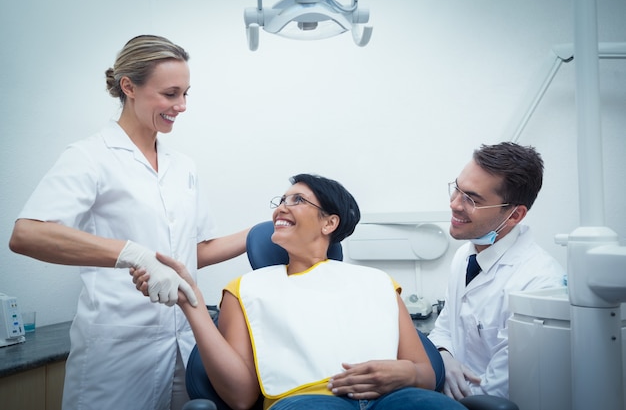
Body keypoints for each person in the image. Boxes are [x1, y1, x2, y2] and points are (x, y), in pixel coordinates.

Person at [8, 35, 249, 410]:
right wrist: (134, 254)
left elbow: (192, 253)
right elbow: (27, 234)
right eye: (170, 94)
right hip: (117, 350)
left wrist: (260, 234)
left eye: (186, 93)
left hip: (183, 347)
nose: (181, 106)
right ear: (128, 87)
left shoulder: (182, 166)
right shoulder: (90, 156)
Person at [132, 173, 466, 410]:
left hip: (397, 398)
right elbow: (240, 398)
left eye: (298, 200)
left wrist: (406, 372)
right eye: (281, 201)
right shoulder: (246, 290)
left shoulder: (377, 282)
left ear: (328, 223)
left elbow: (425, 374)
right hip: (307, 401)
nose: (280, 207)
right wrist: (192, 305)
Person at [427, 142, 564, 400]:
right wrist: (445, 357)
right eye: (456, 189)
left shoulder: (538, 284)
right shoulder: (465, 255)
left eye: (471, 199)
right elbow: (444, 328)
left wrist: (442, 385)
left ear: (514, 215)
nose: (455, 204)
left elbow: (500, 390)